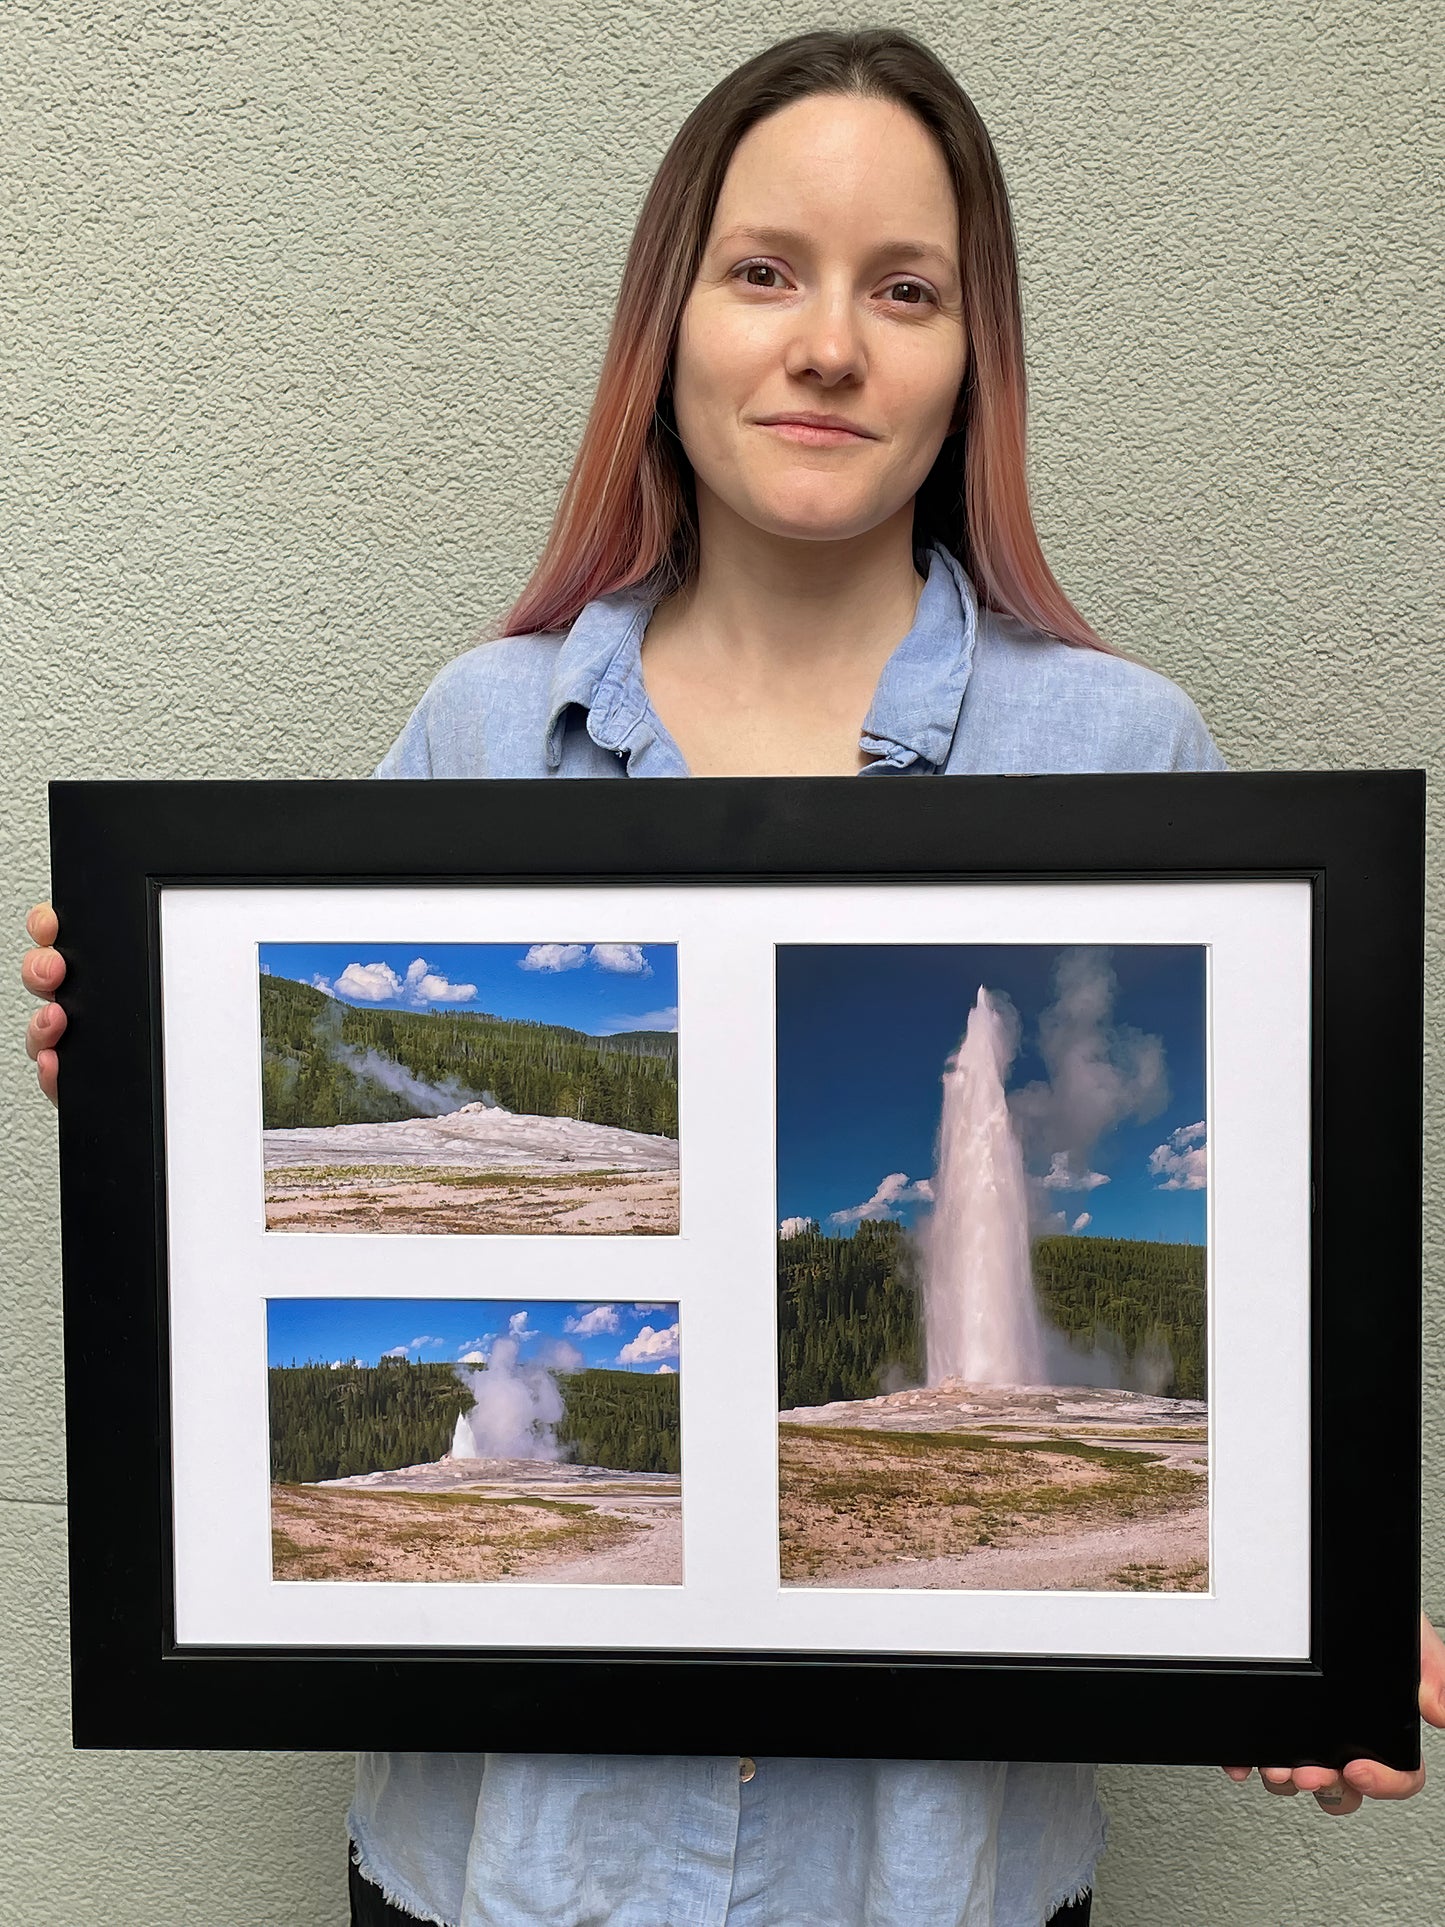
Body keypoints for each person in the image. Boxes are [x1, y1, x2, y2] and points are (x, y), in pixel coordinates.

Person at [20, 26, 1443, 1927]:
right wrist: (148, 1086)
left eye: (906, 289)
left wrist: (1312, 1608)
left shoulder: (1123, 750)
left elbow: (1285, 1261)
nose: (828, 343)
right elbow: (259, 1245)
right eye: (763, 269)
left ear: (969, 357)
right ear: (667, 326)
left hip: (930, 1882)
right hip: (513, 1868)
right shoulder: (482, 728)